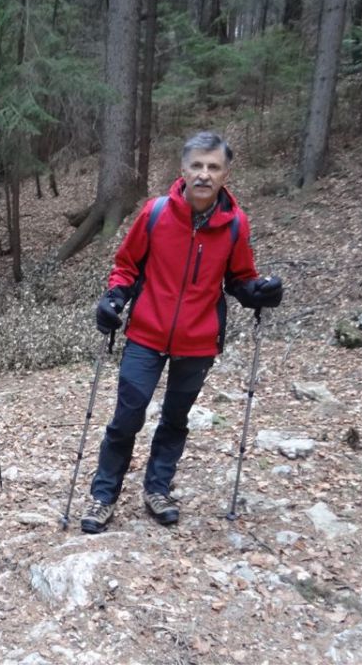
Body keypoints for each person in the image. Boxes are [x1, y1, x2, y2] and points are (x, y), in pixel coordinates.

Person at [80, 132, 283, 534]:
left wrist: (259, 293)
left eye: (213, 167)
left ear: (226, 173)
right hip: (146, 335)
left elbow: (240, 278)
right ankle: (103, 496)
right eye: (197, 166)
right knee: (127, 416)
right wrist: (114, 299)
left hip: (198, 340)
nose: (204, 174)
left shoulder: (235, 225)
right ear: (183, 169)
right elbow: (126, 266)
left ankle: (158, 489)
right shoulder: (155, 214)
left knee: (175, 418)